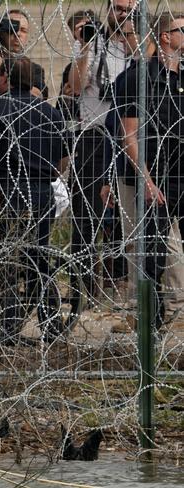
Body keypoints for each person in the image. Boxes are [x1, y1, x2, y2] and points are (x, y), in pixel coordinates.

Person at [0, 56, 71, 345]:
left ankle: (8, 327)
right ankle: (50, 324)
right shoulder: (50, 112)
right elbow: (63, 160)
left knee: (4, 258)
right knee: (37, 256)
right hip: (41, 193)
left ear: (6, 78)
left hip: (6, 191)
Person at [116, 11, 184, 330]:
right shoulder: (139, 77)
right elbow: (129, 132)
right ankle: (150, 324)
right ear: (166, 37)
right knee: (153, 256)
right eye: (182, 30)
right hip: (157, 177)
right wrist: (146, 179)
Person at [67, 0, 134, 314]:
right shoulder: (93, 46)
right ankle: (83, 287)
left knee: (126, 214)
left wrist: (132, 33)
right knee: (86, 214)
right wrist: (86, 46)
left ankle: (123, 283)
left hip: (128, 136)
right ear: (107, 9)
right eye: (117, 8)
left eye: (128, 9)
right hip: (93, 135)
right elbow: (76, 86)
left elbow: (149, 69)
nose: (121, 14)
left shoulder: (137, 45)